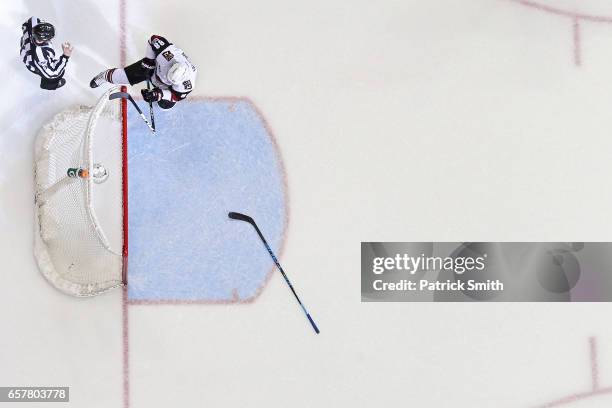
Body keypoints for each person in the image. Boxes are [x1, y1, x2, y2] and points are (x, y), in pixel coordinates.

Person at [90, 35, 197, 110]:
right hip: (155, 67)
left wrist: (158, 94)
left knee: (165, 104)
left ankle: (159, 93)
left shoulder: (187, 85)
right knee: (123, 78)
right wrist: (148, 62)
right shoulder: (168, 55)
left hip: (166, 85)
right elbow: (153, 39)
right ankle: (103, 76)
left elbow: (176, 96)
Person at [20, 17, 73, 90]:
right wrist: (65, 56)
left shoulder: (33, 22)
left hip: (26, 47)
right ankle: (49, 85)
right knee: (53, 77)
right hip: (32, 63)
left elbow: (27, 23)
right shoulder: (40, 55)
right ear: (43, 40)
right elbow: (52, 73)